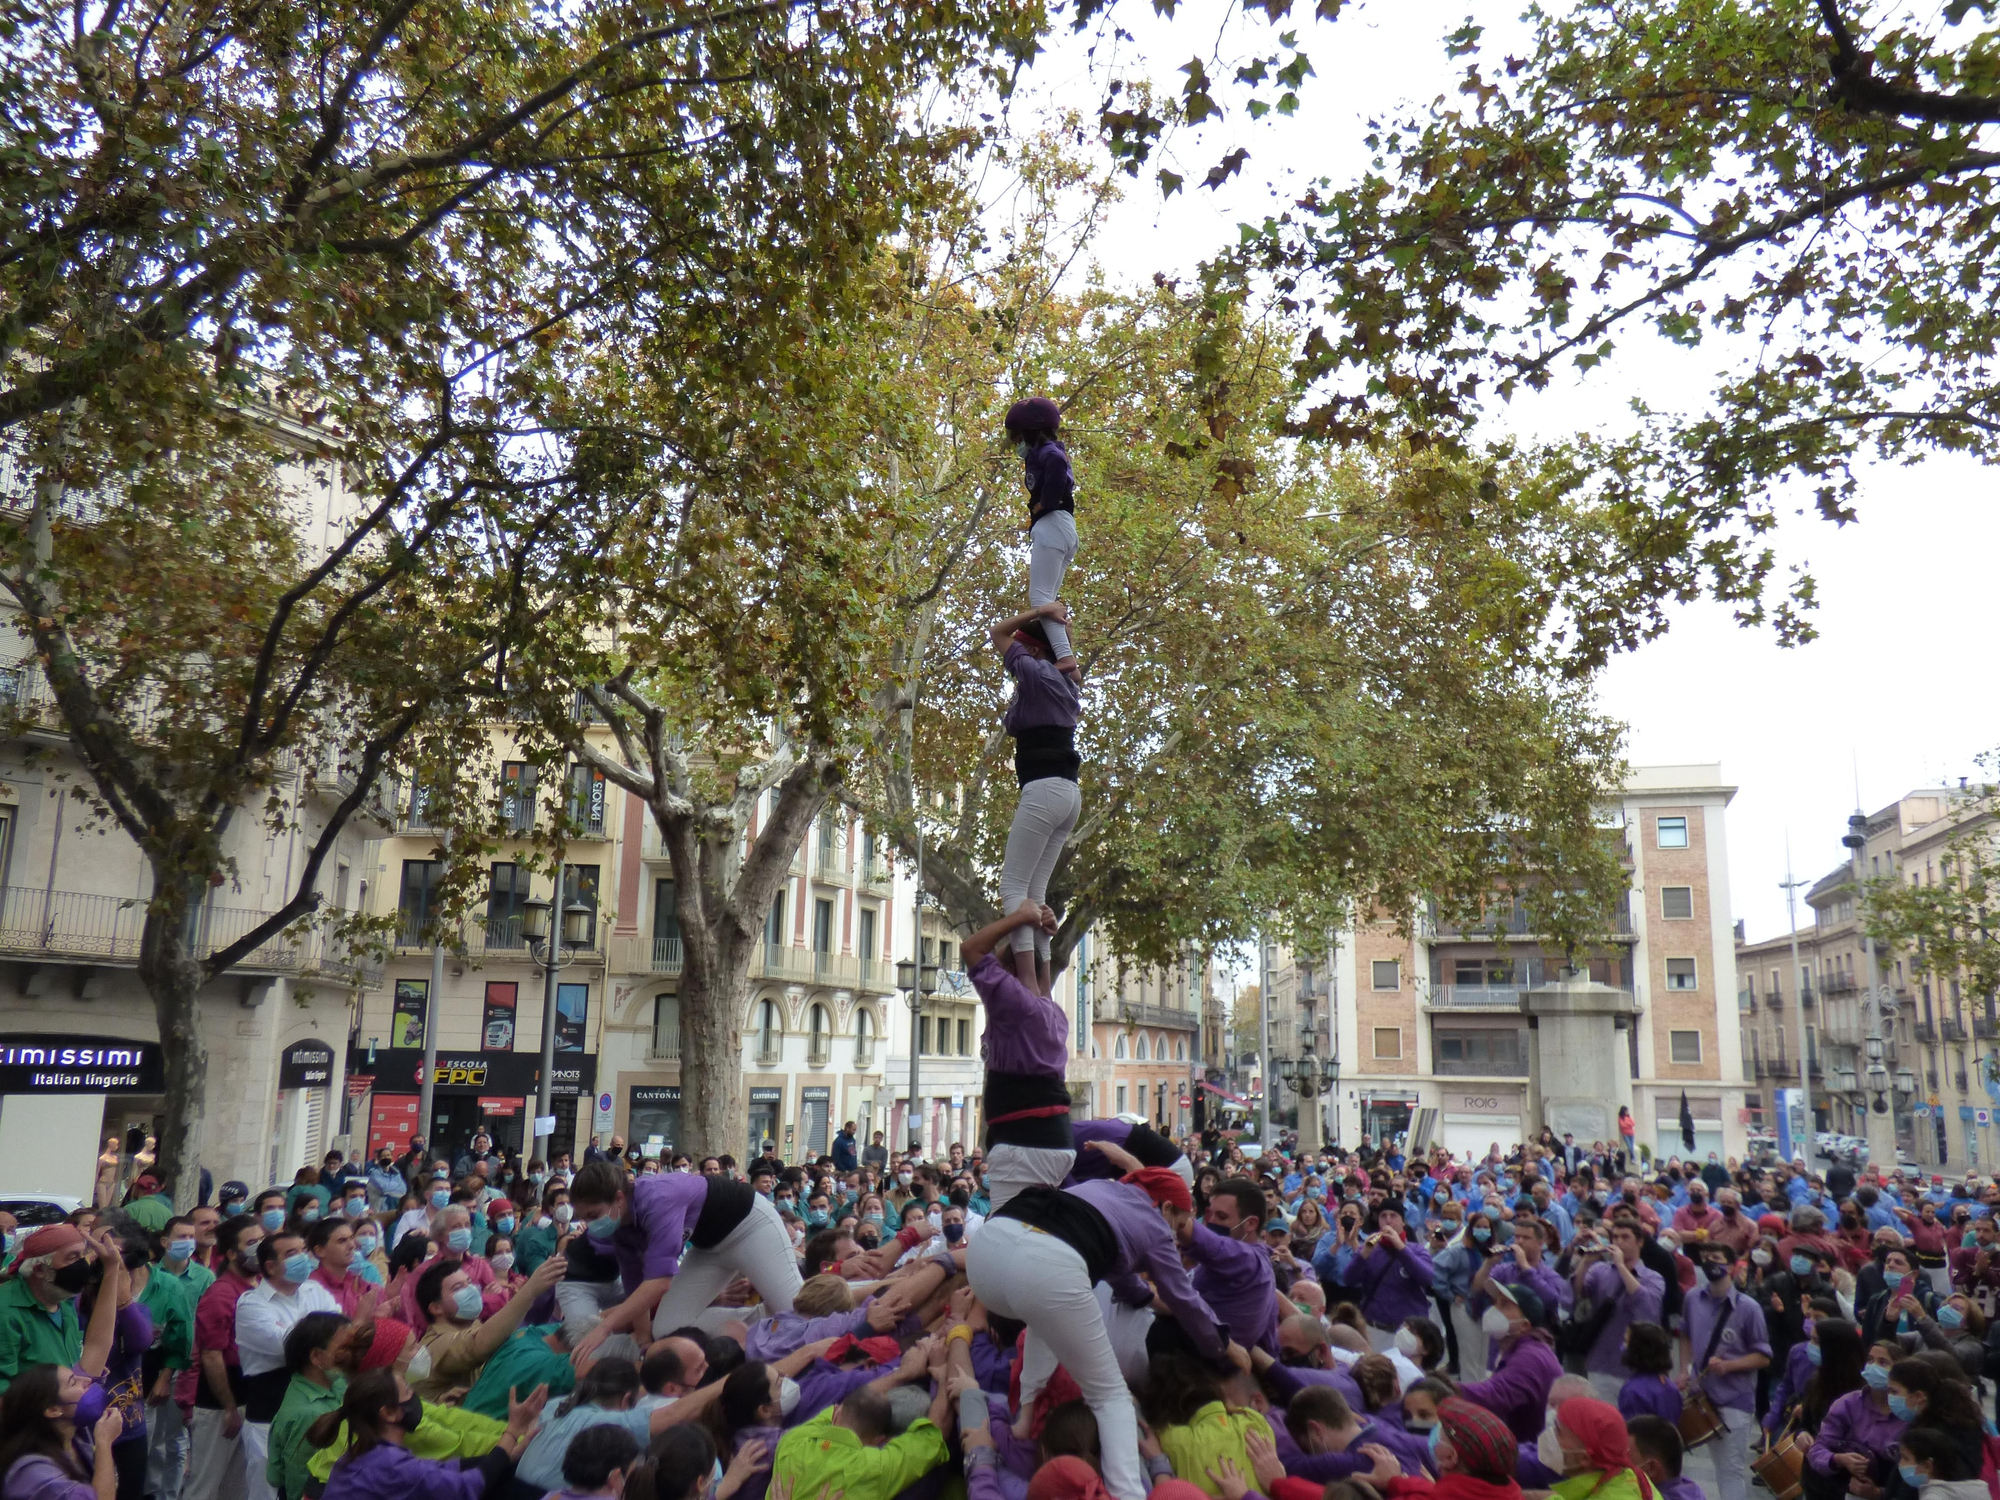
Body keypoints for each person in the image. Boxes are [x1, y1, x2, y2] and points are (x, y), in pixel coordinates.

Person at [967, 1164, 1235, 1500]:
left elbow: (1123, 1278)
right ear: (1166, 1207)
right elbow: (1183, 1297)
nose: (1179, 1237)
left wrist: (1140, 1295)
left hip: (987, 1253)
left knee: (1041, 1317)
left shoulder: (1100, 1186)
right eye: (1179, 1226)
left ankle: (1024, 1418)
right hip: (1045, 1267)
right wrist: (1220, 1344)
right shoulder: (1155, 1225)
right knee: (1111, 1397)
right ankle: (1128, 1495)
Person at [565, 1159, 799, 1356]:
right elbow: (636, 1290)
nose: (590, 1224)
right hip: (708, 1248)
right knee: (668, 1329)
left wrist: (604, 1327)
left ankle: (794, 1311)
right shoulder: (621, 1227)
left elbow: (659, 1283)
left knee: (799, 1313)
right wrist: (645, 1344)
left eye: (593, 1215)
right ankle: (762, 1316)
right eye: (584, 1217)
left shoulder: (658, 1198)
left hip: (751, 1226)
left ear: (618, 1198)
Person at [986, 602, 1080, 997]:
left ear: (1034, 652)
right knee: (1035, 896)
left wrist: (1041, 610)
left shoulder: (1038, 673)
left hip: (1043, 789)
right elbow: (1066, 660)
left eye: (1022, 650)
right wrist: (1059, 629)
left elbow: (997, 633)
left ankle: (1027, 981)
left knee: (1014, 890)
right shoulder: (1064, 683)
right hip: (1068, 795)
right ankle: (1042, 983)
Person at [960, 902, 1075, 1214]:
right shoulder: (1051, 1011)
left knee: (1006, 1232)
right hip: (1050, 1139)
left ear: (1008, 973)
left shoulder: (1018, 1006)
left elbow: (971, 950)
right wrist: (1043, 937)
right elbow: (1038, 975)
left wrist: (1018, 919)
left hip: (1024, 1143)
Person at [307, 1366, 543, 1500]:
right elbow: (466, 1488)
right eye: (408, 1391)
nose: (415, 1397)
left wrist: (504, 1457)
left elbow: (437, 1471)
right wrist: (511, 1432)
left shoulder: (362, 1453)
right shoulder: (389, 1464)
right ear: (388, 1413)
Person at [405, 1252, 566, 1402]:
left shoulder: (472, 1323)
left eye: (469, 1282)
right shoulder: (434, 1346)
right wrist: (530, 1290)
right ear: (436, 1308)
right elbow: (480, 1343)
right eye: (458, 1288)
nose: (471, 1290)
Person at [1351, 1395, 1523, 1500]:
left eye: (1442, 1431)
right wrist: (1397, 1482)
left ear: (1450, 1457)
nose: (1435, 1433)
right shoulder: (1509, 1491)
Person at [1572, 1220, 1666, 1403]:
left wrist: (1622, 1266)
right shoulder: (1600, 1270)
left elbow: (1648, 1307)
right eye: (1615, 1237)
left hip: (1636, 1366)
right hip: (1601, 1362)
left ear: (1639, 1242)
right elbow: (1578, 1293)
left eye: (1625, 1237)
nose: (1619, 1242)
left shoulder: (1653, 1277)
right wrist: (1584, 1263)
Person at [0, 1362, 125, 1500]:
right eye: (73, 1382)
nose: (87, 1380)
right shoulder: (33, 1472)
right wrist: (104, 1443)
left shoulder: (76, 1438)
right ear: (53, 1410)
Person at [1807, 1338, 1907, 1500]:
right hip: (1839, 1489)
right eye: (1870, 1360)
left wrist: (1878, 1493)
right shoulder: (1849, 1403)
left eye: (1882, 1363)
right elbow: (1818, 1449)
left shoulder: (1905, 1412)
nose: (1873, 1366)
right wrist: (1838, 1459)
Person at [266, 1313, 349, 1500]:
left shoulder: (335, 1384)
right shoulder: (310, 1414)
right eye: (344, 1349)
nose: (350, 1355)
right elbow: (300, 1482)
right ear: (317, 1356)